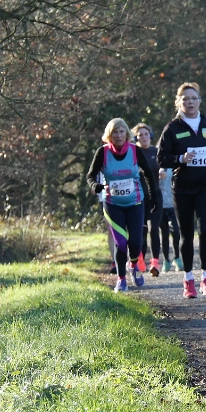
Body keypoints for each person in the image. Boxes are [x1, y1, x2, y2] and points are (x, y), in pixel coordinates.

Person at [156, 83, 206, 298]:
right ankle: (188, 280)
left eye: (193, 98)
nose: (190, 102)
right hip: (183, 187)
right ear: (178, 103)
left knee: (205, 230)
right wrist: (180, 159)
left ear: (199, 101)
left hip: (205, 184)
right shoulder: (172, 128)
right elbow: (161, 158)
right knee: (186, 234)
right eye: (185, 99)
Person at [86, 118, 162, 292]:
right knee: (120, 243)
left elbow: (148, 173)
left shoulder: (134, 150)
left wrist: (153, 197)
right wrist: (95, 186)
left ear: (126, 134)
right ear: (109, 135)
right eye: (115, 132)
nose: (119, 135)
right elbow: (90, 176)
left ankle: (133, 265)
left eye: (121, 132)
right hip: (112, 204)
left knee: (135, 242)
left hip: (135, 203)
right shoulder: (103, 152)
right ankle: (121, 280)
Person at [132, 123, 163, 277]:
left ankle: (155, 262)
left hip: (155, 195)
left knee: (154, 229)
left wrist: (163, 171)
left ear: (150, 136)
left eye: (146, 134)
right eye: (140, 135)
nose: (143, 137)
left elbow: (164, 165)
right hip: (138, 196)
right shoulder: (133, 153)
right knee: (141, 229)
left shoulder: (156, 152)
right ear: (135, 138)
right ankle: (139, 259)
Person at [159, 166, 183, 271]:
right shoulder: (157, 167)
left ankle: (177, 258)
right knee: (164, 233)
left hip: (173, 205)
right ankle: (166, 260)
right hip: (161, 206)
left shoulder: (174, 166)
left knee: (176, 231)